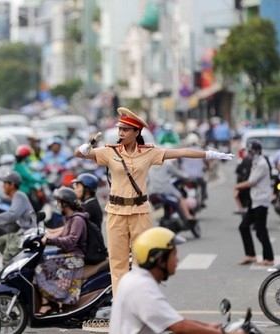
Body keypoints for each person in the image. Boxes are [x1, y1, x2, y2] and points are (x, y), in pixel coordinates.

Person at [75, 107, 233, 296]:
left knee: (144, 259)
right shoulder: (110, 152)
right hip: (116, 212)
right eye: (120, 129)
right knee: (118, 263)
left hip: (140, 212)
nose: (121, 133)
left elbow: (180, 152)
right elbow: (81, 154)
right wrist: (82, 149)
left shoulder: (148, 153)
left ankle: (143, 300)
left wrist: (209, 154)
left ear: (136, 132)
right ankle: (121, 305)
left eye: (126, 130)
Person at [110, 227, 245, 334]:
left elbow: (171, 319)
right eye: (174, 255)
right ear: (160, 260)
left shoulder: (135, 278)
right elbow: (179, 326)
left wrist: (207, 326)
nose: (178, 260)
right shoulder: (141, 288)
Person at [34, 187, 87, 316]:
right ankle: (50, 301)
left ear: (65, 203)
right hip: (67, 254)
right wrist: (47, 232)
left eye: (59, 202)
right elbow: (62, 232)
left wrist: (50, 240)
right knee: (40, 259)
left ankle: (47, 304)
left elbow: (71, 240)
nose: (57, 205)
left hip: (74, 257)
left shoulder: (77, 220)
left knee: (40, 268)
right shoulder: (70, 218)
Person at [0, 171, 36, 265]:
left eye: (5, 183)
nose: (3, 186)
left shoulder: (19, 195)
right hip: (22, 233)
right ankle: (15, 263)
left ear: (12, 185)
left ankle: (10, 270)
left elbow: (12, 215)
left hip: (28, 234)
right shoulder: (16, 196)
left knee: (7, 256)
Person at [234, 139, 274, 266]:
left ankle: (269, 258)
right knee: (244, 227)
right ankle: (250, 255)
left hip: (261, 201)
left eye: (250, 151)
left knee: (261, 230)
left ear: (256, 151)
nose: (248, 153)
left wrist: (237, 187)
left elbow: (251, 181)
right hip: (255, 200)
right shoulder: (255, 162)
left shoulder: (261, 163)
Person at [148, 158, 197, 223]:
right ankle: (188, 216)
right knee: (180, 197)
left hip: (152, 192)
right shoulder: (167, 164)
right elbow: (178, 173)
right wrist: (188, 177)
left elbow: (147, 180)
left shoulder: (149, 166)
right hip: (165, 189)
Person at [12, 144, 47, 210]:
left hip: (22, 190)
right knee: (36, 207)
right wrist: (44, 181)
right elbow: (31, 178)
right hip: (24, 192)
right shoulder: (21, 166)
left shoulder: (18, 165)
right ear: (26, 156)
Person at [180, 133, 208, 207]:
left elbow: (179, 163)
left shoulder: (183, 151)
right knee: (203, 184)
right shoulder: (201, 151)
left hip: (186, 177)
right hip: (198, 176)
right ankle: (203, 200)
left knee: (180, 186)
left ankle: (181, 200)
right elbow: (206, 162)